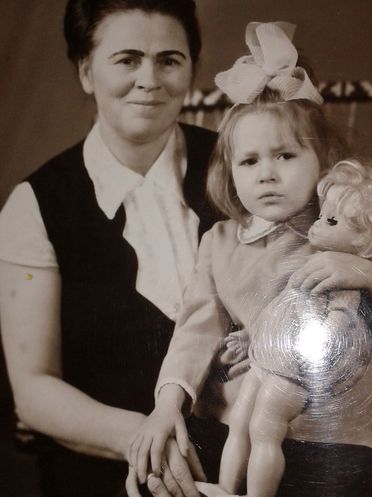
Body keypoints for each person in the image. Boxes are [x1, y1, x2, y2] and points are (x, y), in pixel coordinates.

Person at [127, 22, 372, 497]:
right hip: (247, 417)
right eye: (249, 161)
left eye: (285, 156)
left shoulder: (346, 226)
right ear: (229, 172)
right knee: (174, 470)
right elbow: (195, 332)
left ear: (322, 159)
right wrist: (167, 404)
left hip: (342, 429)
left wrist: (368, 273)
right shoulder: (220, 241)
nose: (267, 174)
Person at [0, 1, 220, 497]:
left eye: (169, 60)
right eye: (127, 60)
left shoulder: (240, 168)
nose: (150, 80)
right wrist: (144, 440)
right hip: (105, 478)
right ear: (86, 71)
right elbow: (34, 387)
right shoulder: (37, 205)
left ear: (191, 69)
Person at [213, 158, 372, 497]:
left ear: (369, 242)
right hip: (270, 358)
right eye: (322, 215)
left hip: (294, 371)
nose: (317, 224)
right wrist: (254, 335)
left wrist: (316, 352)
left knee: (265, 429)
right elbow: (283, 307)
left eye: (332, 221)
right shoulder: (314, 263)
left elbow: (341, 321)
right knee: (240, 420)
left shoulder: (346, 279)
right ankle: (224, 488)